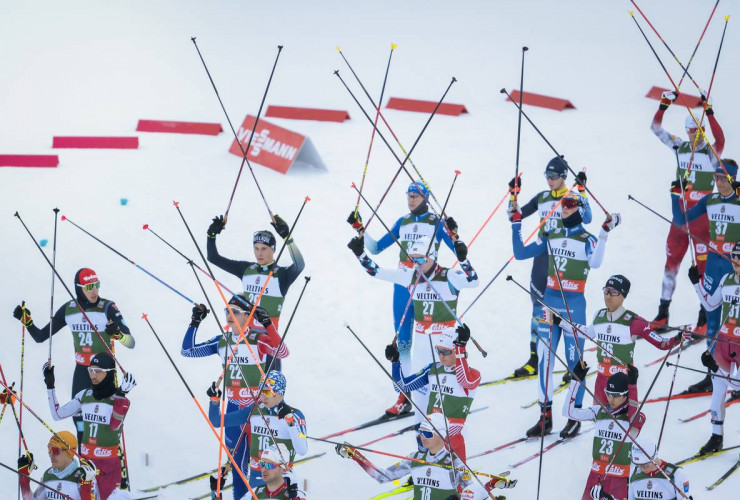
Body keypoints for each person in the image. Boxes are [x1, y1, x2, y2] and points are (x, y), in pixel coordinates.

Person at [511, 192, 620, 437]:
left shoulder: (587, 239)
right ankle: (545, 417)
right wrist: (516, 223)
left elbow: (596, 264)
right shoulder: (551, 235)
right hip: (548, 305)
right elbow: (520, 253)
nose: (564, 208)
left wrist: (604, 233)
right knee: (544, 361)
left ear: (580, 209)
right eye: (562, 204)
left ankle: (574, 416)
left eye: (570, 205)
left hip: (573, 308)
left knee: (575, 365)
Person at [347, 180, 456, 416]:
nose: (410, 200)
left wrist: (453, 231)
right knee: (402, 341)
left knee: (432, 340)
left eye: (415, 196)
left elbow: (459, 251)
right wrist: (360, 230)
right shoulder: (403, 222)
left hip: (427, 286)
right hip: (402, 284)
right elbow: (375, 249)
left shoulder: (435, 223)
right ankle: (405, 395)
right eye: (408, 195)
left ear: (425, 198)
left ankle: (440, 389)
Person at [349, 233, 478, 425]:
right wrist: (360, 254)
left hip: (444, 343)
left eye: (420, 259)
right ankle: (423, 436)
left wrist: (463, 259)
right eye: (413, 259)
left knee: (443, 396)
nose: (416, 263)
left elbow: (473, 280)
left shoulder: (449, 276)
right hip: (422, 345)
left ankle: (447, 437)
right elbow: (377, 272)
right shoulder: (411, 276)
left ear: (432, 256)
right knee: (420, 397)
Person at [13, 268, 135, 447]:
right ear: (79, 288)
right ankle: (87, 468)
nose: (94, 291)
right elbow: (40, 337)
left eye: (97, 286)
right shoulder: (70, 309)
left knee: (107, 423)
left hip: (104, 374)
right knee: (80, 423)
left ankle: (112, 466)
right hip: (82, 372)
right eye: (89, 287)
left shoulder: (108, 307)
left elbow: (130, 342)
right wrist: (28, 322)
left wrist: (118, 335)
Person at [184, 295, 289, 499]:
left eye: (235, 311)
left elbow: (282, 352)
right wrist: (195, 321)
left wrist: (267, 324)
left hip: (256, 409)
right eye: (226, 310)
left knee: (260, 466)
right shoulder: (222, 341)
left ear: (247, 316)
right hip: (233, 407)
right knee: (238, 465)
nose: (229, 314)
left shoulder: (257, 339)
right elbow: (187, 351)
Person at [507, 156, 592, 377]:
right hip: (542, 256)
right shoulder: (542, 198)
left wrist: (582, 190)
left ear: (564, 177)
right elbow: (515, 215)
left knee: (566, 312)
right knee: (538, 310)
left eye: (553, 176)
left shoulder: (570, 197)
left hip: (565, 256)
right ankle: (535, 359)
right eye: (547, 176)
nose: (549, 180)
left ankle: (573, 364)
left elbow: (589, 219)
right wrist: (513, 194)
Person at [649, 90, 725, 334]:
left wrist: (709, 112)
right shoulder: (679, 147)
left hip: (703, 220)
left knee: (702, 269)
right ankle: (662, 313)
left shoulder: (710, 154)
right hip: (680, 218)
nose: (694, 135)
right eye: (691, 131)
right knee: (671, 262)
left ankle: (704, 317)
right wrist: (663, 105)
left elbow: (721, 140)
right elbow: (656, 127)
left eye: (698, 131)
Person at [672, 159, 740, 394]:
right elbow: (682, 220)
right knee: (712, 318)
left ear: (732, 179)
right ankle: (713, 374)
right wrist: (675, 194)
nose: (718, 182)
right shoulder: (709, 200)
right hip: (713, 265)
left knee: (735, 322)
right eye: (716, 178)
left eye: (723, 178)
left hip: (734, 268)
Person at [335, 413, 515, 498]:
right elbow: (382, 476)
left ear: (441, 435)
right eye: (421, 432)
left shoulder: (453, 462)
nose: (422, 437)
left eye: (427, 433)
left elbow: (470, 494)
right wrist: (355, 455)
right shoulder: (415, 458)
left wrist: (491, 486)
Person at [46, 352, 135, 500]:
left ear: (109, 373)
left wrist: (121, 394)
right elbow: (57, 414)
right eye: (90, 370)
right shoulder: (85, 395)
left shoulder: (120, 400)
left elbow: (114, 425)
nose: (93, 375)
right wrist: (50, 386)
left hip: (108, 465)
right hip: (87, 460)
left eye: (98, 371)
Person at [206, 214, 305, 345]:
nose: (259, 253)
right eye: (256, 248)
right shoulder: (246, 269)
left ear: (273, 250)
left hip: (269, 338)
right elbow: (213, 258)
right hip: (246, 334)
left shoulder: (281, 275)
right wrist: (211, 236)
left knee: (272, 366)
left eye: (264, 248)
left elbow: (300, 264)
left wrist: (288, 239)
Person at [586, 275, 684, 406]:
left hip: (621, 382)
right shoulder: (599, 315)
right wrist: (559, 320)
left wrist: (677, 338)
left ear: (623, 295)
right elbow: (585, 332)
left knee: (623, 424)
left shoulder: (634, 321)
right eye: (606, 291)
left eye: (614, 292)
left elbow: (661, 343)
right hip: (601, 380)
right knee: (598, 421)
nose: (608, 296)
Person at [387, 324, 480, 460]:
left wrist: (461, 348)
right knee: (427, 476)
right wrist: (395, 362)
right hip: (430, 434)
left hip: (452, 435)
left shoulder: (473, 374)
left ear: (457, 350)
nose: (441, 356)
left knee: (453, 480)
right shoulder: (433, 369)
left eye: (446, 351)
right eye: (438, 351)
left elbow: (465, 381)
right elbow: (402, 387)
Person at [208, 370, 307, 493]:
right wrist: (214, 401)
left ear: (280, 393)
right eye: (260, 391)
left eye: (267, 392)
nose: (263, 396)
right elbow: (217, 421)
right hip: (256, 483)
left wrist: (290, 423)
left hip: (280, 483)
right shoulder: (255, 410)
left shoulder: (295, 415)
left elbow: (302, 450)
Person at [689, 241, 740, 455]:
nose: (735, 260)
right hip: (724, 342)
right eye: (733, 256)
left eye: (739, 256)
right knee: (717, 391)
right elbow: (711, 305)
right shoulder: (727, 280)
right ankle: (716, 437)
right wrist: (696, 283)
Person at [563, 365, 644, 500]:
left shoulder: (635, 418)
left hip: (619, 479)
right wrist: (575, 382)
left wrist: (633, 387)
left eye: (616, 395)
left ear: (626, 395)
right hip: (595, 475)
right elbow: (568, 412)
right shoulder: (600, 411)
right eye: (608, 393)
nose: (610, 399)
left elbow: (634, 420)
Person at [589, 436, 692, 500]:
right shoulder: (634, 473)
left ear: (654, 456)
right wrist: (607, 497)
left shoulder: (677, 474)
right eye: (638, 465)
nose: (642, 469)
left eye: (645, 465)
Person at [17, 431, 107, 500]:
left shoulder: (84, 476)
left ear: (69, 452)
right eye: (49, 449)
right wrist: (23, 476)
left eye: (55, 450)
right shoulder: (49, 475)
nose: (50, 454)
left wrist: (87, 485)